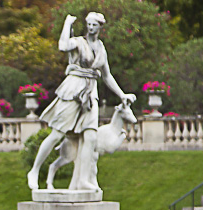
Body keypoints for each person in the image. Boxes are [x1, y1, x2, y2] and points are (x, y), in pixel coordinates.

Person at [27, 13, 135, 191]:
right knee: (57, 134)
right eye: (89, 24)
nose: (91, 27)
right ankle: (34, 170)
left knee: (90, 137)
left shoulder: (101, 48)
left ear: (100, 27)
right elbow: (62, 45)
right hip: (73, 89)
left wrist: (122, 95)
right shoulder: (78, 42)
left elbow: (107, 76)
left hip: (91, 93)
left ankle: (84, 180)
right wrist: (67, 23)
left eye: (94, 25)